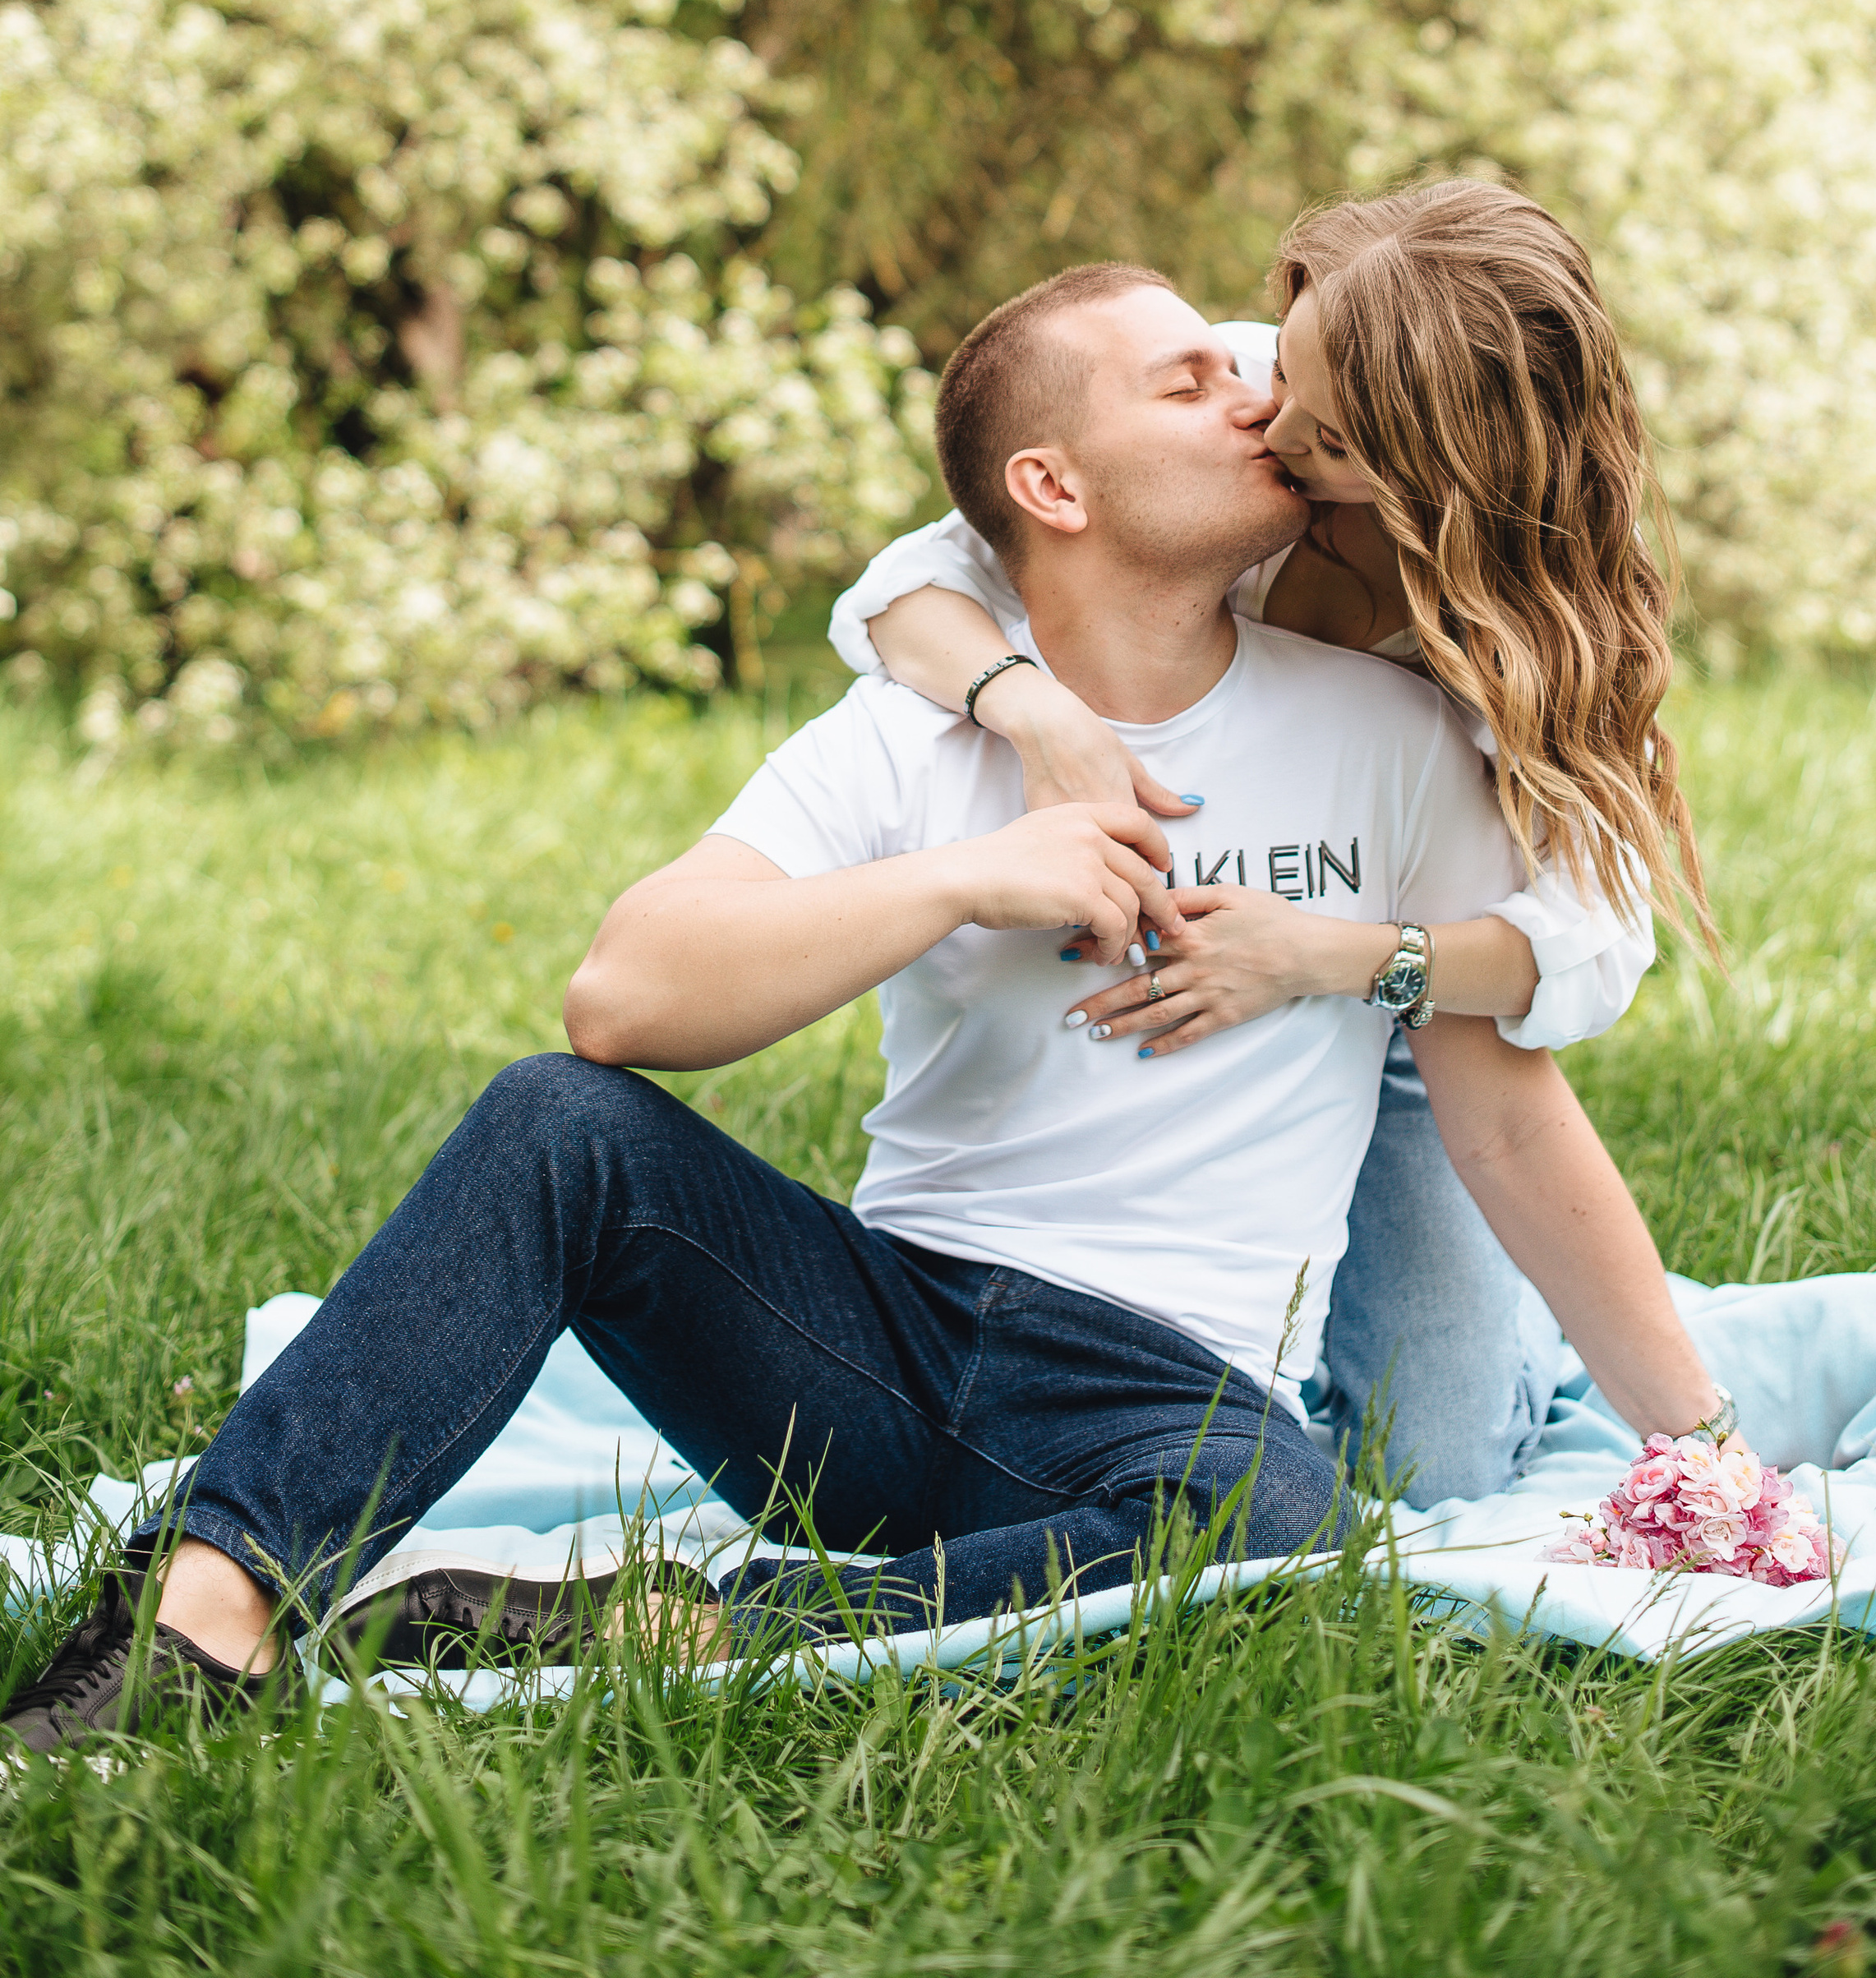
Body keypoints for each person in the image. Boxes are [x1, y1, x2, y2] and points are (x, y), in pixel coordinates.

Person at [5, 264, 1735, 1758]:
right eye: (1188, 381)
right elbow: (622, 996)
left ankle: (686, 1620)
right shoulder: (914, 730)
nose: (1256, 397)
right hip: (874, 1346)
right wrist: (968, 878)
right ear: (1052, 485)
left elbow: (1507, 1115)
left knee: (1283, 1515)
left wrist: (1705, 1450)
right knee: (556, 1122)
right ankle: (198, 1619)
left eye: (1250, 376)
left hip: (1166, 1396)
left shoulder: (1396, 738)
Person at [831, 181, 1710, 1498]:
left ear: (1439, 473)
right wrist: (1037, 711)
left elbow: (1579, 956)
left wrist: (1327, 957)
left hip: (1388, 980)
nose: (1272, 427)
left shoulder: (1522, 623)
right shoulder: (1256, 388)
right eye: (1284, 372)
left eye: (1331, 437)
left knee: (1437, 1467)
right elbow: (912, 583)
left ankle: (1553, 1337)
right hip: (1157, 962)